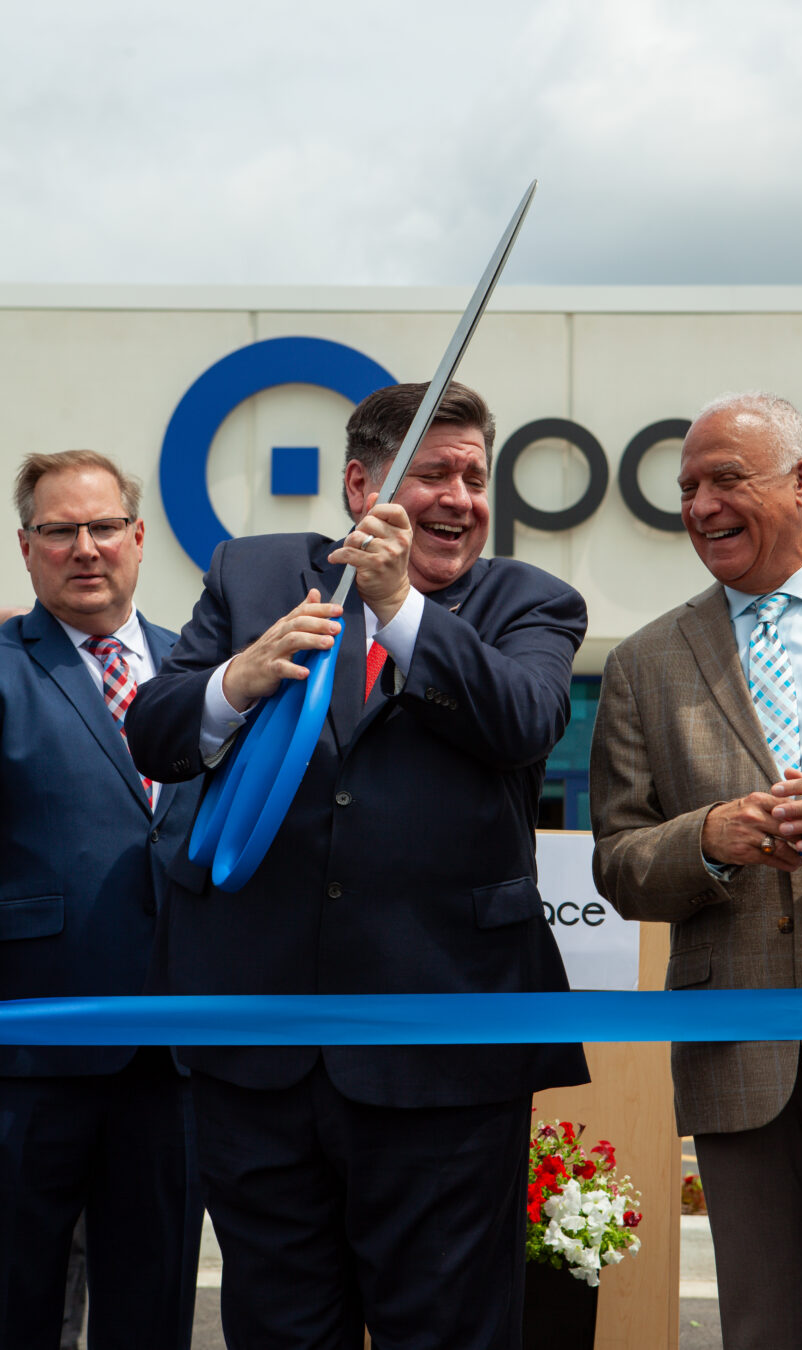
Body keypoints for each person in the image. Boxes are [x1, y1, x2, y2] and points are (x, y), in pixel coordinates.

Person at [126, 381, 588, 1350]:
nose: (460, 497)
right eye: (433, 474)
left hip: (447, 1066)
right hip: (258, 1059)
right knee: (280, 1326)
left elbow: (521, 723)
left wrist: (403, 606)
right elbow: (158, 734)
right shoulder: (249, 576)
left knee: (450, 1329)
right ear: (359, 484)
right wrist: (235, 680)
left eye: (474, 476)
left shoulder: (529, 603)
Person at [591, 391, 802, 1350]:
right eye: (687, 487)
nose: (700, 505)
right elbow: (617, 860)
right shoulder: (644, 662)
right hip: (738, 1061)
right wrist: (707, 840)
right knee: (765, 1330)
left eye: (727, 479)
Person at [0, 450, 204, 1350]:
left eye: (103, 527)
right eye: (58, 530)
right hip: (28, 1060)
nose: (85, 549)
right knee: (14, 1304)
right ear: (26, 547)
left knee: (153, 1309)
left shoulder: (203, 670)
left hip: (176, 1061)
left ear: (138, 537)